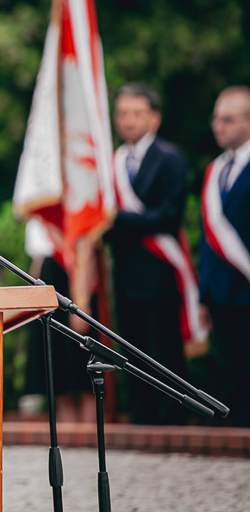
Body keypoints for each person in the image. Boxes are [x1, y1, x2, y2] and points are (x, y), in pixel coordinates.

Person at [106, 82, 198, 425]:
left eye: (136, 113)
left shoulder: (170, 158)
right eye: (123, 113)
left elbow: (169, 215)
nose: (128, 120)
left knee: (165, 349)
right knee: (131, 348)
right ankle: (142, 416)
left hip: (161, 270)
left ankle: (173, 418)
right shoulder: (111, 162)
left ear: (154, 118)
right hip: (126, 273)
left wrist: (119, 220)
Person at [199, 85, 250, 427]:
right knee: (232, 369)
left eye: (228, 120)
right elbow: (208, 239)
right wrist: (203, 295)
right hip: (221, 292)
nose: (219, 126)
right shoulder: (215, 169)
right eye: (216, 119)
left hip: (246, 285)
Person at [20, 219, 96, 423]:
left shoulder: (77, 204)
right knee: (60, 373)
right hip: (49, 276)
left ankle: (89, 441)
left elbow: (87, 247)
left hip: (76, 277)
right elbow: (38, 257)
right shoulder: (41, 210)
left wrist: (84, 300)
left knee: (83, 373)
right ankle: (70, 443)